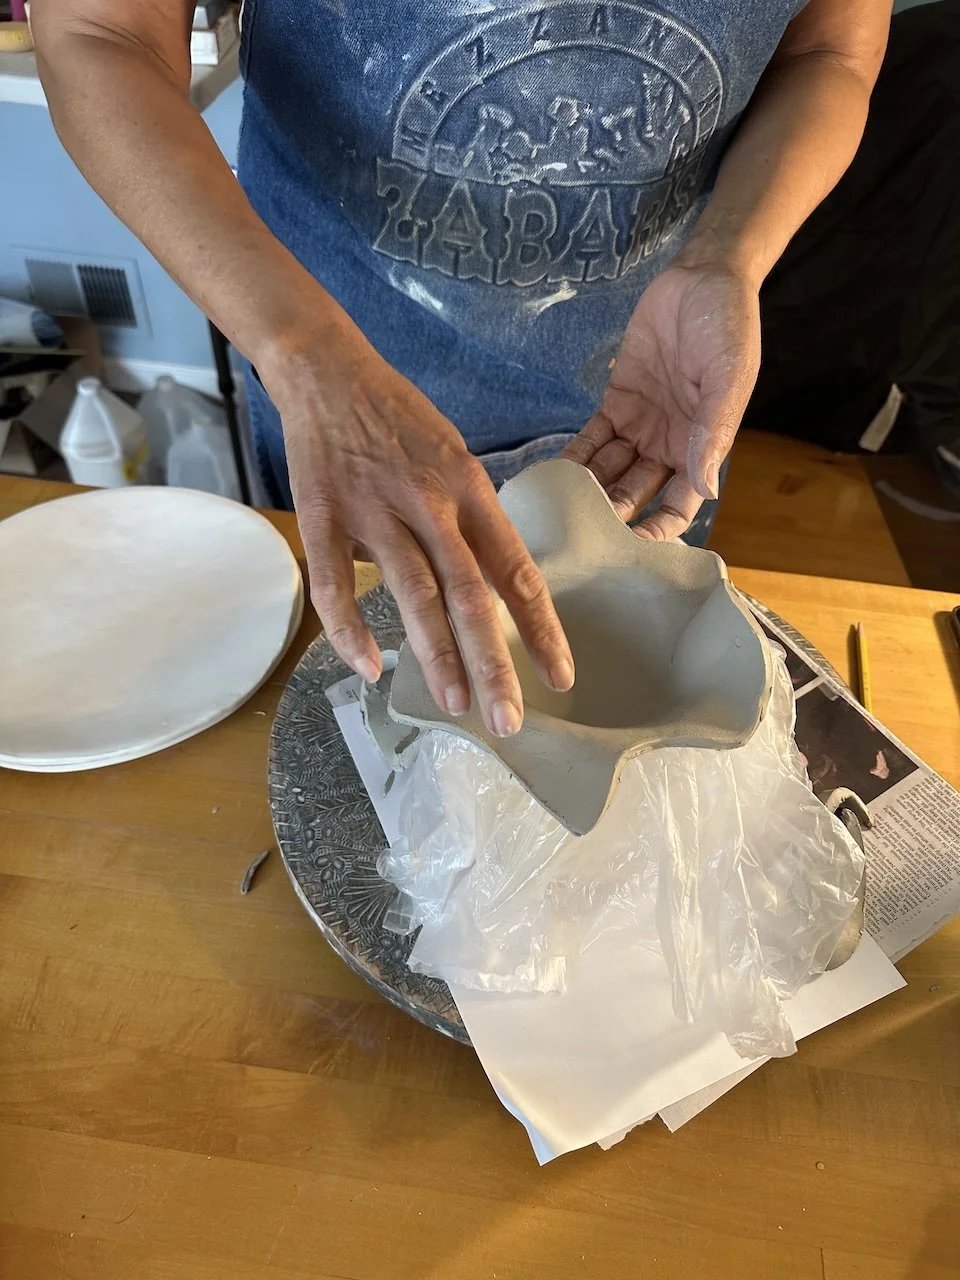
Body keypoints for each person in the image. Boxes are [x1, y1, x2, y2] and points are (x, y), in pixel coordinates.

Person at [33, 0, 892, 740]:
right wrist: (305, 356)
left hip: (649, 405)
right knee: (371, 724)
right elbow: (101, 34)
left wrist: (727, 257)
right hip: (336, 395)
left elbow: (829, 52)